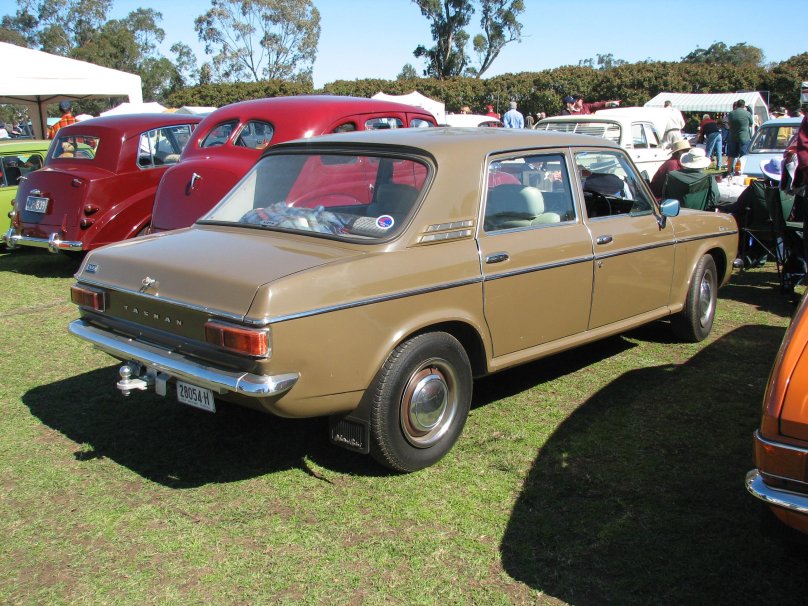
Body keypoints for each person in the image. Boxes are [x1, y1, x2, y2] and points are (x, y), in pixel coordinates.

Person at [727, 99, 754, 174]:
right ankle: (740, 171)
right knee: (743, 155)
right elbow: (751, 124)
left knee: (731, 155)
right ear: (743, 105)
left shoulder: (731, 113)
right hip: (744, 137)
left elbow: (729, 124)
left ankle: (729, 171)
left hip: (733, 136)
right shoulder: (747, 113)